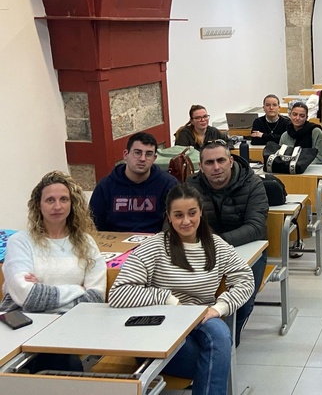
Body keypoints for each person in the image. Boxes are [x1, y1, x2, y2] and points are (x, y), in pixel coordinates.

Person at [109, 184, 255, 395]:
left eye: (192, 213)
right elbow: (120, 293)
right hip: (160, 324)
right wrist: (168, 299)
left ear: (201, 213)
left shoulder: (216, 245)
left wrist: (220, 307)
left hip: (199, 318)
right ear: (168, 216)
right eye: (178, 215)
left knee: (220, 335)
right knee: (214, 360)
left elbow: (245, 278)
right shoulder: (154, 247)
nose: (186, 221)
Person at [1, 171, 106, 373]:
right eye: (50, 200)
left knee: (64, 365)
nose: (57, 206)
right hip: (25, 326)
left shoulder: (86, 242)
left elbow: (96, 297)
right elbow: (28, 296)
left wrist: (43, 289)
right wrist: (78, 289)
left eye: (63, 199)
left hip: (71, 325)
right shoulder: (20, 242)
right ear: (38, 205)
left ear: (72, 204)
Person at [187, 141, 268, 345]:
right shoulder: (190, 187)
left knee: (243, 299)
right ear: (201, 165)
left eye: (221, 160)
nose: (216, 167)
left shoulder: (252, 183)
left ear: (231, 161)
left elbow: (256, 226)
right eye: (209, 162)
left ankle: (232, 336)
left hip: (248, 250)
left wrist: (216, 243)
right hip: (201, 251)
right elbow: (172, 223)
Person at [90, 132, 179, 233]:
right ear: (125, 155)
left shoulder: (169, 184)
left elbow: (174, 221)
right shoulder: (105, 186)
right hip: (115, 243)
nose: (142, 159)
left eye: (148, 154)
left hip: (155, 243)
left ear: (154, 158)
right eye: (137, 152)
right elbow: (94, 223)